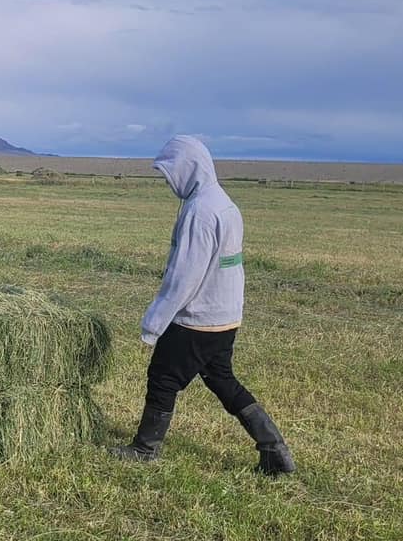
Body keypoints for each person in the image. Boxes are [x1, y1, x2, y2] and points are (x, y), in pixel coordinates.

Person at [110, 135, 296, 475]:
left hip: (196, 318)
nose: (168, 182)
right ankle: (274, 449)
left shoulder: (200, 211)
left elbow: (185, 276)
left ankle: (144, 448)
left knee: (163, 378)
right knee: (222, 380)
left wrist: (154, 324)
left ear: (188, 169)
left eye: (170, 174)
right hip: (226, 316)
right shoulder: (225, 203)